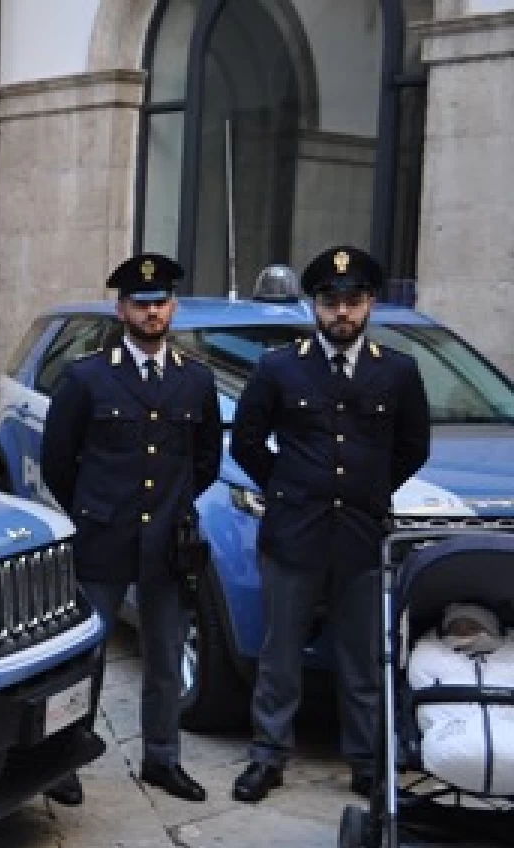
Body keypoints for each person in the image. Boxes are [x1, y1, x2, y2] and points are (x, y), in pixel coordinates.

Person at [230, 245, 432, 803]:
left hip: (362, 535)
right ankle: (268, 754)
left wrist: (368, 489)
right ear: (314, 306)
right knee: (281, 655)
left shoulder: (397, 371)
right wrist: (287, 487)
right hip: (295, 533)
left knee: (363, 658)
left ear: (370, 306)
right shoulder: (279, 367)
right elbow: (246, 440)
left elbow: (413, 447)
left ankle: (366, 761)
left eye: (353, 301)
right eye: (331, 302)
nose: (342, 312)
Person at [39, 254, 222, 805]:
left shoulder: (196, 380)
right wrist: (94, 508)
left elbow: (205, 461)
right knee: (85, 656)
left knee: (165, 657)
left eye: (160, 303)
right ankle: (66, 758)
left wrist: (173, 509)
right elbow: (58, 460)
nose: (151, 313)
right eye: (140, 304)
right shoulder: (88, 377)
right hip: (104, 535)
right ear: (121, 309)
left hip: (167, 541)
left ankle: (162, 759)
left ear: (174, 308)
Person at [408, 603, 514, 795]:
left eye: (472, 626)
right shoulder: (430, 654)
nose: (464, 633)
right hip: (449, 746)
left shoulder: (508, 656)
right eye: (456, 627)